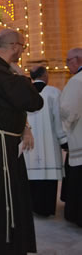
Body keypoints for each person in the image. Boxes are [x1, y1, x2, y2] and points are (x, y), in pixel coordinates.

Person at [0, 29, 43, 254]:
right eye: (22, 47)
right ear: (14, 47)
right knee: (4, 199)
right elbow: (34, 101)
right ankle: (6, 245)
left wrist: (25, 127)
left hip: (1, 145)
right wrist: (23, 75)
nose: (22, 51)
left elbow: (12, 106)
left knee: (9, 195)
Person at [24, 66, 67, 216]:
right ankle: (46, 208)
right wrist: (63, 139)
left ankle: (32, 207)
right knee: (47, 179)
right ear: (45, 75)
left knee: (31, 178)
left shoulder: (25, 91)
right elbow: (59, 119)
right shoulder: (54, 93)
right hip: (49, 143)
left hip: (29, 142)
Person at [60, 47, 82, 226]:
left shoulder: (76, 81)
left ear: (77, 59)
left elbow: (69, 110)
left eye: (68, 61)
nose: (67, 65)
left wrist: (65, 128)